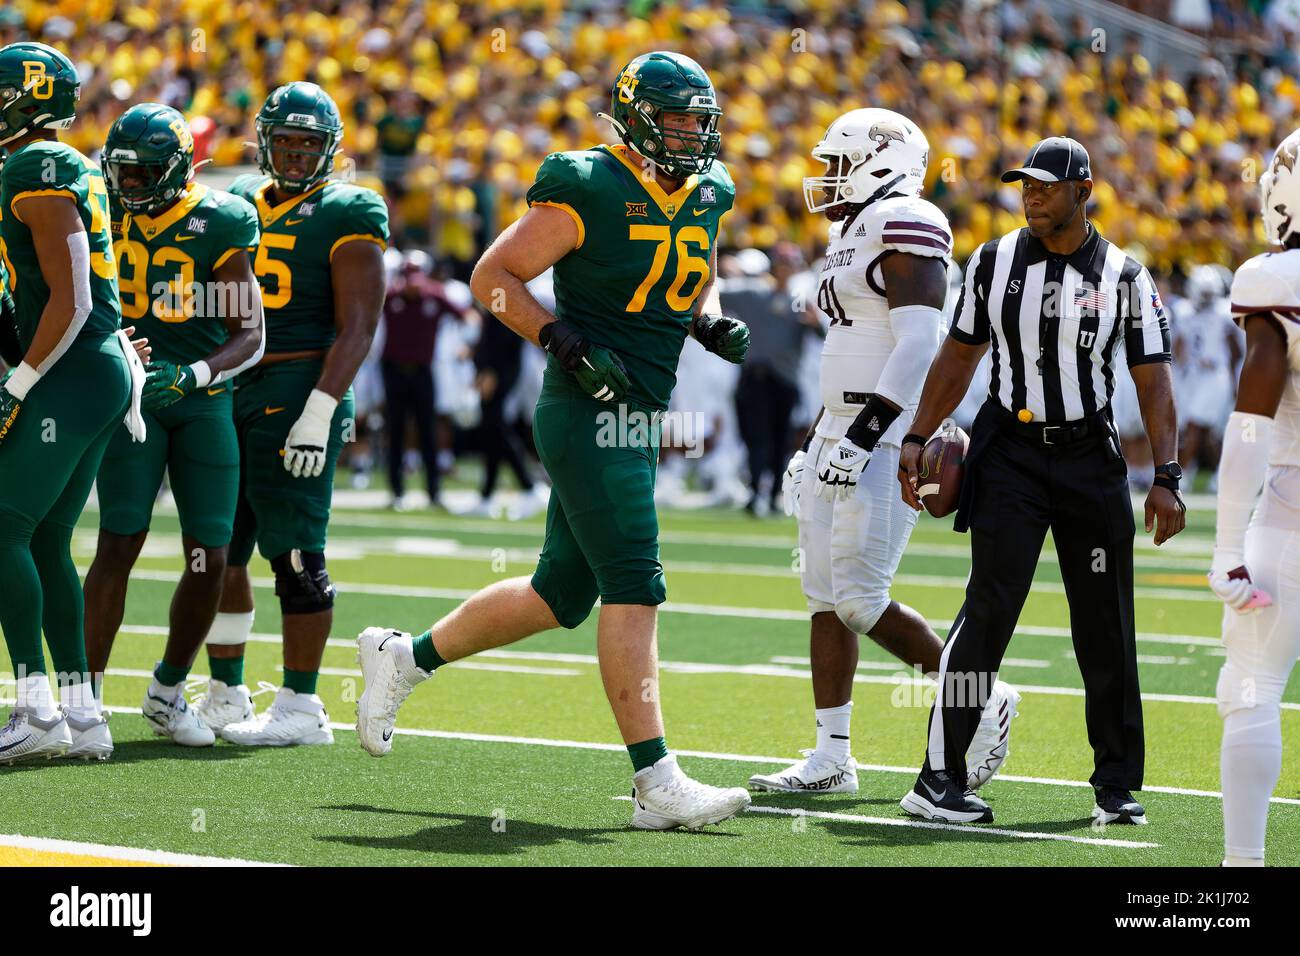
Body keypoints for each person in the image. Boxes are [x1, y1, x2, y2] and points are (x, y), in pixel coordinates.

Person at [354, 51, 755, 830]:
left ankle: (406, 657)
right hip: (586, 411)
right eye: (675, 119)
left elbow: (687, 265)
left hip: (641, 410)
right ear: (637, 116)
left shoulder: (710, 188)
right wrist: (562, 339)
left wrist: (702, 321)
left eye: (699, 121)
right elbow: (493, 276)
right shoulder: (588, 184)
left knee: (559, 595)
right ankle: (656, 781)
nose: (690, 135)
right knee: (637, 579)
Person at [896, 137, 1185, 824]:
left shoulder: (1124, 275)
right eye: (1025, 185)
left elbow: (1153, 377)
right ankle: (938, 778)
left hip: (1089, 456)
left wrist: (1167, 474)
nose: (1030, 195)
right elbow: (958, 357)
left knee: (1106, 624)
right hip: (1012, 454)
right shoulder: (994, 263)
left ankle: (1115, 785)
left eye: (1045, 186)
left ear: (1083, 191)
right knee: (989, 607)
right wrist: (914, 437)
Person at [749, 108, 1018, 796]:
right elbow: (850, 350)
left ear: (882, 160)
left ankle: (978, 696)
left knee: (861, 601)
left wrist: (866, 434)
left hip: (886, 430)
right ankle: (832, 756)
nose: (828, 178)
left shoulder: (908, 219)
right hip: (839, 428)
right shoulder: (850, 229)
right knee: (822, 600)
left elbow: (918, 344)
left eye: (839, 162)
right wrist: (816, 438)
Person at [200, 81, 389, 744]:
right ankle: (225, 690)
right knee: (218, 550)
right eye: (288, 142)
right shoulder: (237, 202)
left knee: (297, 554)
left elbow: (359, 324)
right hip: (236, 389)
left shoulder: (349, 209)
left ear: (331, 149)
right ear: (265, 142)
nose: (300, 155)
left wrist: (321, 408)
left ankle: (302, 705)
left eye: (312, 144)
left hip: (303, 384)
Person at [81, 103, 265, 754]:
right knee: (118, 542)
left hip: (197, 399)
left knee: (210, 553)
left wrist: (194, 375)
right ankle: (85, 701)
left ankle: (166, 688)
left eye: (144, 173)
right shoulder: (96, 206)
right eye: (122, 172)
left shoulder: (221, 220)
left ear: (179, 169)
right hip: (129, 397)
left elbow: (251, 332)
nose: (129, 185)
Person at [0, 42, 139, 761]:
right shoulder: (62, 164)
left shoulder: (33, 166)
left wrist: (20, 380)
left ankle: (34, 708)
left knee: (3, 531)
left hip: (69, 371)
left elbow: (76, 296)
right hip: (91, 371)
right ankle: (82, 715)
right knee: (47, 539)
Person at [1209, 128, 1300, 867]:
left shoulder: (1277, 280)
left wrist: (1223, 548)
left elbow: (1248, 426)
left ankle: (1245, 871)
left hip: (1289, 516)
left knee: (1251, 684)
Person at [722, 248, 804, 515]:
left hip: (784, 378)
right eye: (782, 263)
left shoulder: (801, 301)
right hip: (756, 376)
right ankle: (756, 489)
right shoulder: (754, 293)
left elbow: (822, 330)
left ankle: (772, 494)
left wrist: (814, 321)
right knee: (755, 436)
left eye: (789, 264)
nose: (785, 269)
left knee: (780, 439)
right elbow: (715, 292)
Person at [380, 249, 454, 510]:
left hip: (423, 372)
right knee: (396, 431)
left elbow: (468, 315)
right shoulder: (390, 297)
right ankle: (397, 490)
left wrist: (466, 348)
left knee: (428, 432)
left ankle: (433, 492)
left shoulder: (435, 295)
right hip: (393, 371)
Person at [1175, 264, 1240, 486]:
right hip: (1193, 376)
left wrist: (1232, 381)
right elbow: (1179, 347)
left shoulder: (1223, 312)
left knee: (1197, 425)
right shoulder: (1184, 311)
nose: (1205, 297)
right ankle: (1221, 475)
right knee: (1206, 431)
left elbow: (1235, 350)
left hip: (1215, 375)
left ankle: (1183, 473)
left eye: (1208, 293)